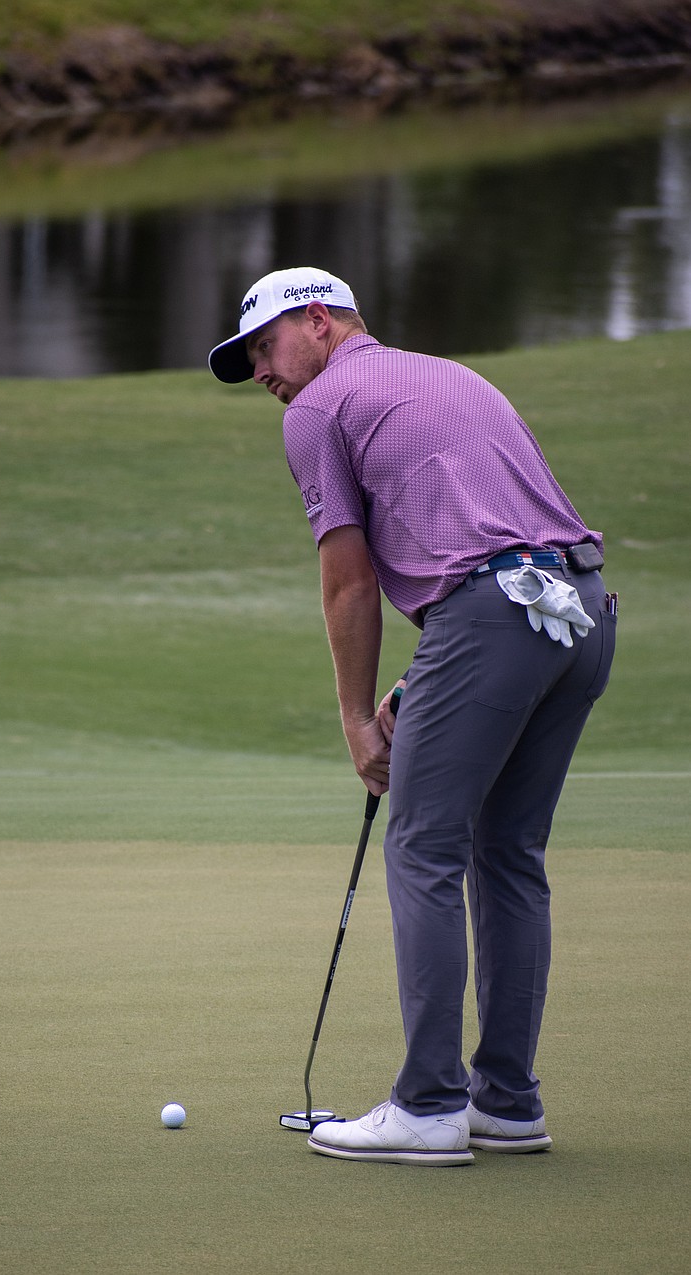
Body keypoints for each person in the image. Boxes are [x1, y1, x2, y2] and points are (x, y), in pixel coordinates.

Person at [208, 267, 617, 1167]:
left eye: (265, 348)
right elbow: (497, 537)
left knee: (423, 847)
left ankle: (429, 1105)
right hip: (579, 612)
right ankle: (505, 1101)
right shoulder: (451, 375)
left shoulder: (316, 409)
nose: (263, 374)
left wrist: (357, 716)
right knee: (507, 852)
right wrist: (430, 672)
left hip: (493, 617)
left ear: (318, 322)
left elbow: (348, 578)